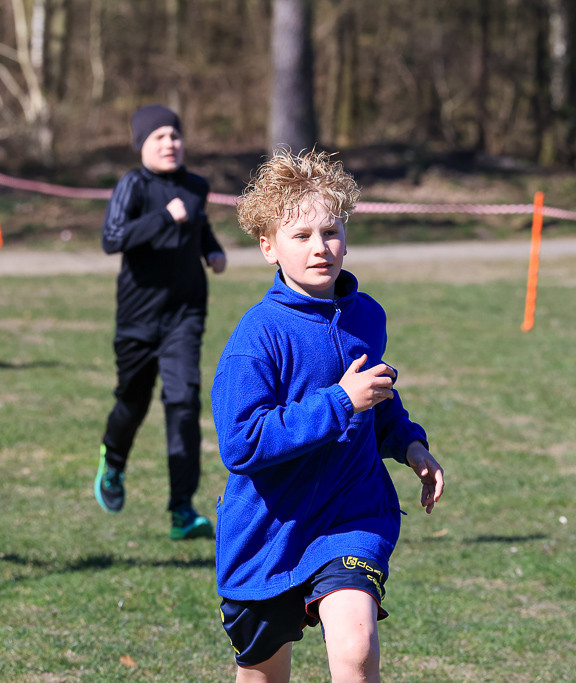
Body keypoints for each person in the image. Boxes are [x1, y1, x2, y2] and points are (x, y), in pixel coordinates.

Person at [210, 149, 445, 682]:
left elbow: (376, 396)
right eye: (301, 236)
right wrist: (339, 401)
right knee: (265, 676)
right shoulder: (256, 337)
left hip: (350, 513)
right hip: (270, 528)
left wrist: (409, 445)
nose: (320, 248)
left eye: (331, 231)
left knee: (356, 646)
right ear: (268, 247)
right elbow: (242, 444)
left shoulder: (367, 316)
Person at [96, 104, 227, 540]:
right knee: (133, 401)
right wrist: (163, 217)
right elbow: (112, 239)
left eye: (174, 135)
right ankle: (113, 461)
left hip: (185, 314)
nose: (169, 143)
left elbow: (199, 224)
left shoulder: (195, 186)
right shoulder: (132, 185)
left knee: (184, 404)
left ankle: (182, 509)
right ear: (141, 145)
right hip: (137, 317)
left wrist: (211, 248)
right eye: (159, 137)